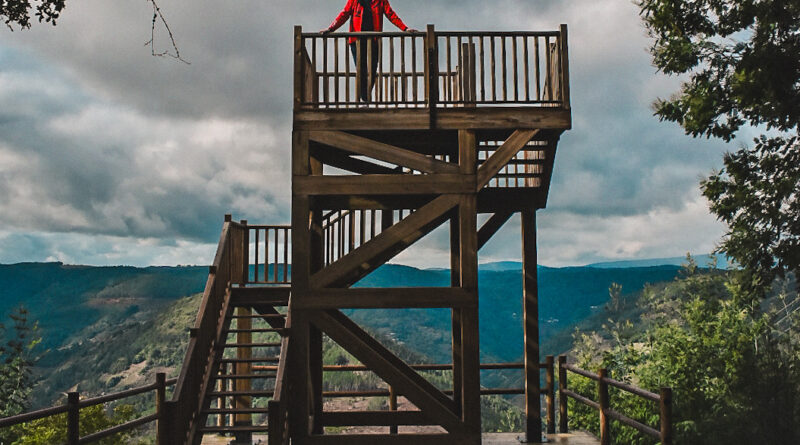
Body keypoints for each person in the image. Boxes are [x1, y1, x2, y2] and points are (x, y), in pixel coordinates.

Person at [321, 0, 417, 102]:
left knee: (373, 69)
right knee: (361, 69)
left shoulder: (381, 1)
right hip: (356, 41)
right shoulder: (353, 1)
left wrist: (405, 28)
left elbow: (391, 14)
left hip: (373, 40)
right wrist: (331, 28)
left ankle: (365, 96)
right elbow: (344, 14)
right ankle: (365, 98)